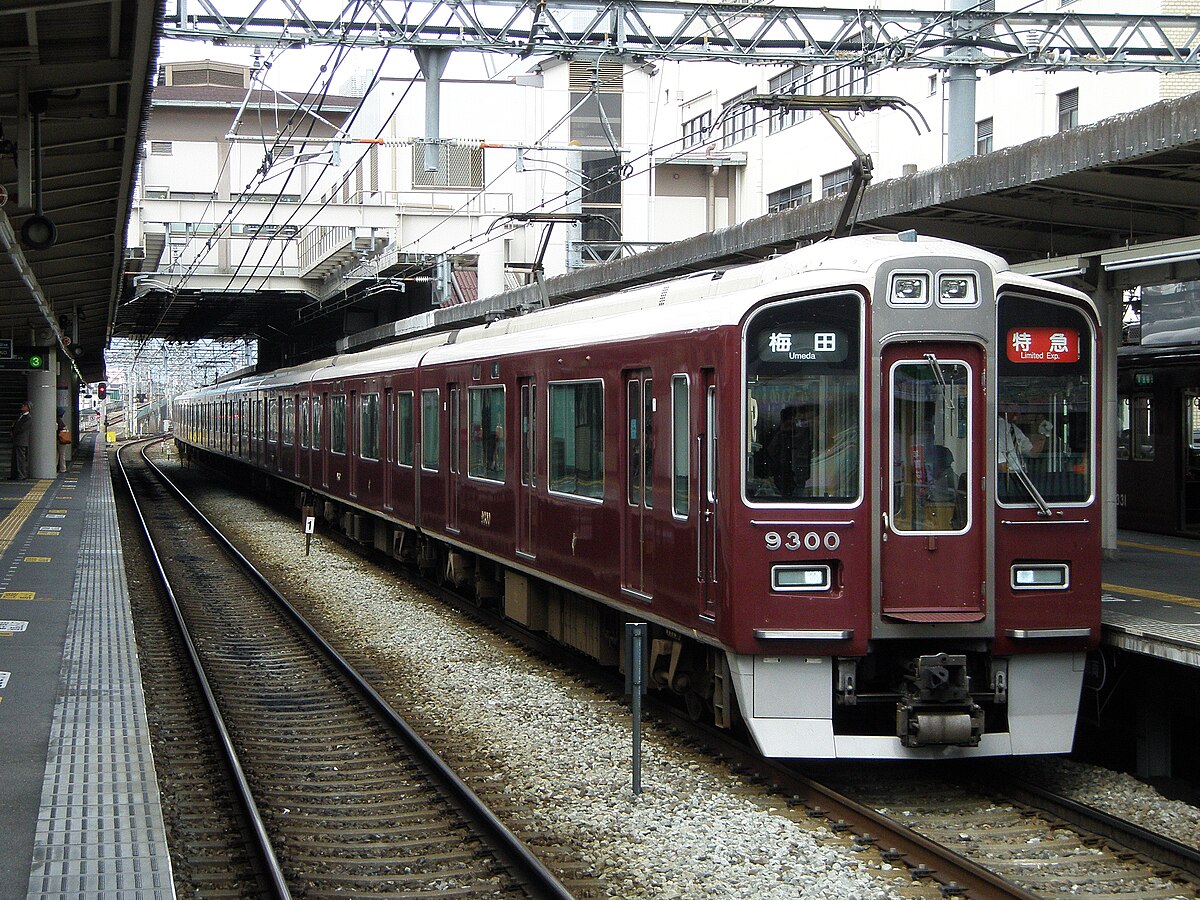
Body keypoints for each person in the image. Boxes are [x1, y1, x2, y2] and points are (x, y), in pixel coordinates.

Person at [767, 404, 814, 498]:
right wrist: (782, 432)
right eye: (794, 421)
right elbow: (770, 451)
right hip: (781, 474)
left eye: (800, 422)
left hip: (801, 475)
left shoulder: (806, 434)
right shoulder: (780, 435)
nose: (795, 426)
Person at [10, 401, 31, 479]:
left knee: (20, 459)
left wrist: (14, 432)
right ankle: (14, 474)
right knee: (15, 458)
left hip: (21, 440)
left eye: (24, 405)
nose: (22, 406)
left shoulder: (28, 418)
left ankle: (21, 475)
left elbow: (22, 428)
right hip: (17, 439)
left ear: (28, 408)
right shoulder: (20, 416)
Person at [56, 407, 69, 474]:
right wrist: (65, 428)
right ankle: (63, 468)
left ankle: (56, 467)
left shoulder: (56, 419)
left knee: (58, 454)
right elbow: (61, 429)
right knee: (62, 454)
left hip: (58, 439)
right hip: (61, 440)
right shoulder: (59, 420)